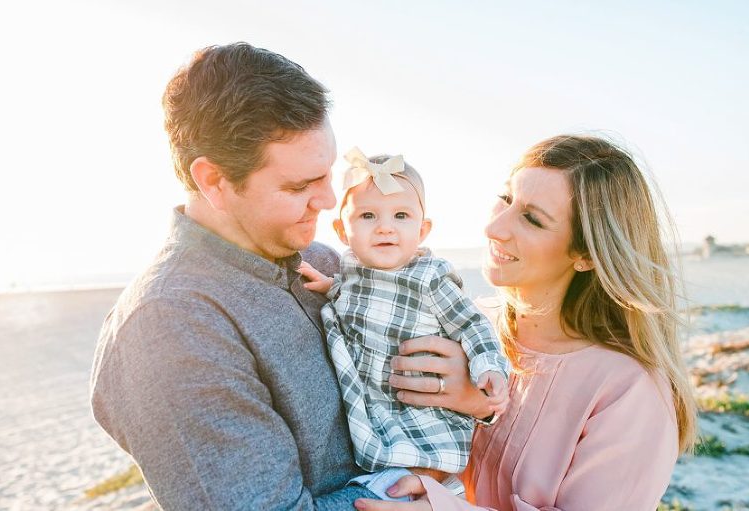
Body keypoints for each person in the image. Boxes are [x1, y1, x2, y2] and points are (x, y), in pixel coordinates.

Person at [89, 42, 492, 510]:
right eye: (299, 186)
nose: (326, 201)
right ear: (214, 182)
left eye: (326, 175)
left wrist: (472, 399)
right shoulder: (171, 326)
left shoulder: (327, 263)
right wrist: (412, 496)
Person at [354, 135, 698, 511]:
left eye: (532, 219)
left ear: (585, 253)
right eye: (505, 199)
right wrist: (473, 405)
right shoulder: (467, 329)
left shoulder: (630, 392)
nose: (494, 229)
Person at [297, 148, 510, 493]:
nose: (385, 228)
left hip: (422, 422)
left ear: (422, 230)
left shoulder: (429, 278)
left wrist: (489, 366)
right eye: (367, 216)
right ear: (341, 230)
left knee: (397, 485)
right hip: (377, 416)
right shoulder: (351, 271)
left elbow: (472, 324)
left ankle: (433, 490)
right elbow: (359, 297)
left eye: (400, 215)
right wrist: (331, 288)